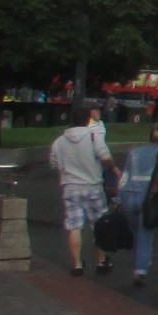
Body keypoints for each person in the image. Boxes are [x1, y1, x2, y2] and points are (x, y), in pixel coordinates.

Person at [50, 111, 117, 276]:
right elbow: (105, 157)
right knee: (99, 225)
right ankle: (101, 262)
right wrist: (113, 168)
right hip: (93, 186)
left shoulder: (59, 142)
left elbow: (54, 164)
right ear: (87, 120)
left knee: (74, 226)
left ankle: (77, 264)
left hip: (70, 187)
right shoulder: (94, 137)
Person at [119, 122, 158, 288]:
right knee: (145, 233)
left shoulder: (134, 153)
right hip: (147, 198)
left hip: (128, 196)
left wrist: (119, 199)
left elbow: (124, 178)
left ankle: (142, 260)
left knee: (136, 231)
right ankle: (141, 269)